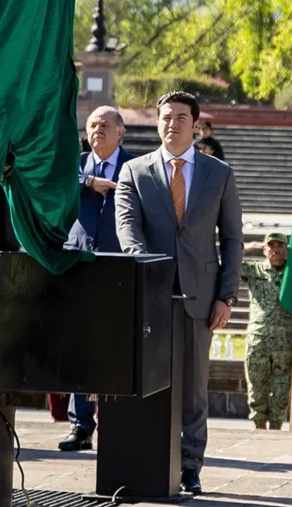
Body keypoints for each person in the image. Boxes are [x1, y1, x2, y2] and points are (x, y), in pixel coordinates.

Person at [115, 90, 243, 495]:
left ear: (195, 124)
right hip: (150, 295)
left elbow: (233, 239)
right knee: (146, 379)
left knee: (193, 389)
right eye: (166, 117)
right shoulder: (135, 171)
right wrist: (145, 272)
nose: (173, 123)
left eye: (181, 117)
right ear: (157, 123)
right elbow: (127, 229)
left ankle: (190, 466)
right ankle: (151, 457)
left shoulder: (218, 173)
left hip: (200, 298)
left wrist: (227, 296)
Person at [58, 106, 134, 452]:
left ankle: (117, 421)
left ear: (121, 132)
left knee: (115, 343)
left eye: (105, 124)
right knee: (79, 343)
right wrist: (90, 182)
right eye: (92, 125)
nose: (97, 130)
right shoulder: (76, 163)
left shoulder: (135, 166)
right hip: (79, 259)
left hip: (117, 263)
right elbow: (53, 182)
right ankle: (81, 425)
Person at [240, 233, 292, 430]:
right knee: (257, 390)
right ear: (265, 249)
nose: (276, 250)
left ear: (287, 249)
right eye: (271, 246)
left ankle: (276, 431)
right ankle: (259, 430)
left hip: (284, 342)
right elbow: (225, 262)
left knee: (282, 392)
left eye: (280, 246)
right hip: (258, 340)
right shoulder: (255, 270)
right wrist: (251, 245)